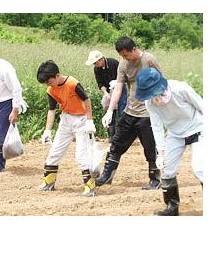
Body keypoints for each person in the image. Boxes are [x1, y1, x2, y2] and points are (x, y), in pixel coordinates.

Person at [135, 67, 203, 216]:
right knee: (166, 169)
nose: (153, 98)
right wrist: (161, 153)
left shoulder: (181, 89)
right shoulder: (150, 104)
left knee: (200, 168)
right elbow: (157, 127)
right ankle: (172, 208)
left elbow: (203, 106)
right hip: (175, 134)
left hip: (198, 128)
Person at [98, 36, 161, 190]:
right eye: (122, 56)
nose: (124, 58)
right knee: (116, 143)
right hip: (130, 112)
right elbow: (118, 88)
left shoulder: (149, 60)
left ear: (134, 49)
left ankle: (155, 179)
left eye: (126, 55)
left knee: (150, 148)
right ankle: (107, 175)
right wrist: (110, 111)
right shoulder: (123, 64)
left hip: (148, 114)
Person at [37, 60, 97, 197]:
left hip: (81, 120)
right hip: (66, 119)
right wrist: (47, 130)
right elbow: (51, 110)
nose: (48, 85)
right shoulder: (51, 89)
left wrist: (90, 120)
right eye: (46, 83)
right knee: (55, 151)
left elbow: (86, 100)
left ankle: (90, 186)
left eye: (49, 81)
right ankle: (49, 182)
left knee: (82, 155)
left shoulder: (73, 83)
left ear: (57, 75)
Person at [85, 50, 127, 143]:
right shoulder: (96, 69)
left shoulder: (113, 63)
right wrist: (106, 93)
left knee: (122, 110)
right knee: (109, 111)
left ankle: (123, 137)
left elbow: (123, 76)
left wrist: (117, 84)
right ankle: (112, 136)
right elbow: (100, 83)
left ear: (101, 59)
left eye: (95, 62)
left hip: (120, 88)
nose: (95, 65)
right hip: (108, 90)